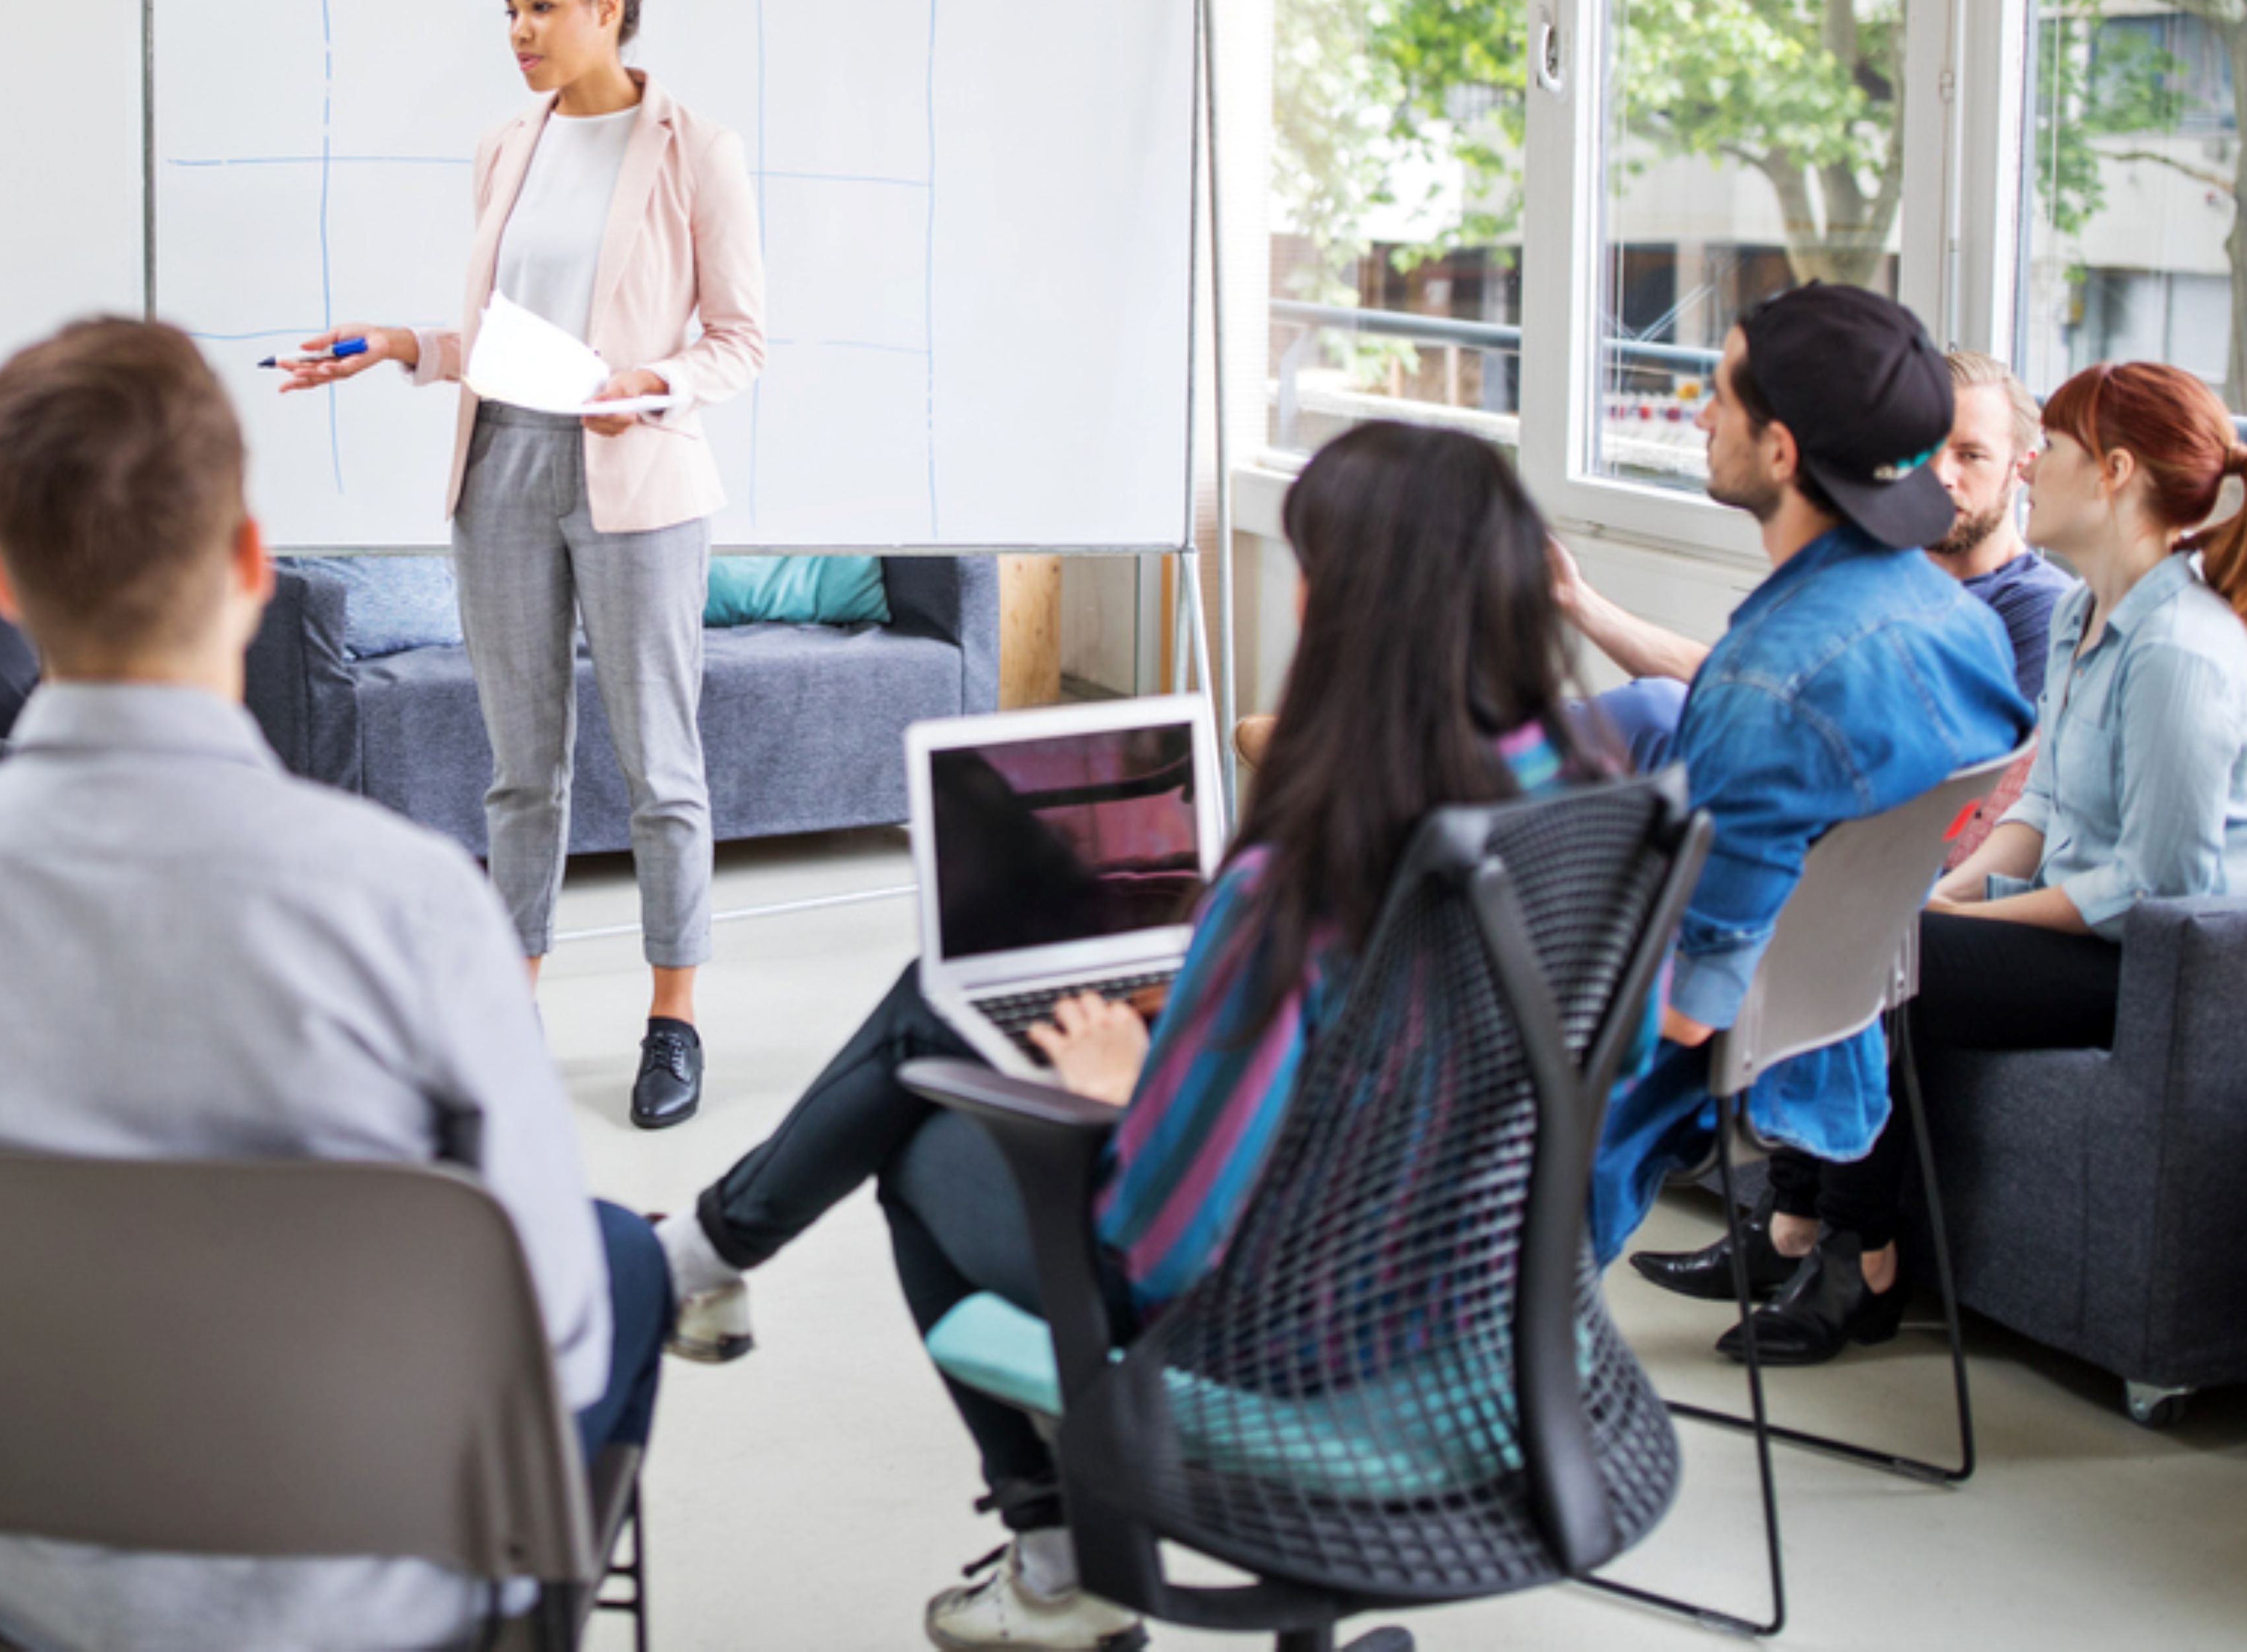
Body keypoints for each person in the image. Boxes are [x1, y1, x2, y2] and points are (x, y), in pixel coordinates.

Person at [0, 315, 670, 1651]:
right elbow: (551, 1344)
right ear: (251, 567)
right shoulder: (416, 906)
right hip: (372, 1592)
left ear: (2, 583)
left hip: (31, 1587)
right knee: (619, 1256)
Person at [647, 423, 1603, 1651]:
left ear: (1334, 606)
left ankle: (1056, 1558)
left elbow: (1166, 1237)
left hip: (1284, 1333)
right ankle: (716, 1255)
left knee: (927, 1137)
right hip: (1490, 1309)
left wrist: (1126, 1089)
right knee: (941, 1004)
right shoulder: (1583, 806)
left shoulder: (1303, 883)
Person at [1720, 358, 2247, 1361]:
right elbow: (2040, 806)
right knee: (1873, 931)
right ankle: (1810, 1229)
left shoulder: (2178, 649)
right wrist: (1936, 892)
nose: (2036, 469)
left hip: (2186, 969)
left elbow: (2155, 892)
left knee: (1892, 961)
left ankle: (1861, 1260)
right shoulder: (2089, 617)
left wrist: (1964, 924)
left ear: (2116, 472)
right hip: (2105, 924)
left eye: (2061, 452)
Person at [276, 0, 768, 1128]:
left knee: (661, 764)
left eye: (542, 7)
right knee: (520, 771)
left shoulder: (697, 148)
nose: (520, 33)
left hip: (637, 478)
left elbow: (739, 342)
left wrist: (646, 386)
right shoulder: (508, 145)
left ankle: (673, 1019)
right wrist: (404, 345)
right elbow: (503, 338)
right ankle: (508, 1015)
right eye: (510, 10)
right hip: (499, 467)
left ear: (610, 8)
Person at [1591, 284, 2037, 1325]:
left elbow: (1688, 1009)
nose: (1699, 416)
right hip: (1857, 988)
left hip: (1737, 1030)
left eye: (1719, 397)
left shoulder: (1767, 683)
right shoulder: (1954, 623)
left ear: (1783, 452)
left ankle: (1469, 1356)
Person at [1559, 345, 2075, 770]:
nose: (1941, 476)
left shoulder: (2034, 608)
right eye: (1925, 452)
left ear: (2020, 469)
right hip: (1766, 791)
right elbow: (1738, 678)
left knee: (1651, 711)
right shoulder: (1879, 573)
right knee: (1635, 715)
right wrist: (1576, 600)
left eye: (1971, 455)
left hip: (1844, 832)